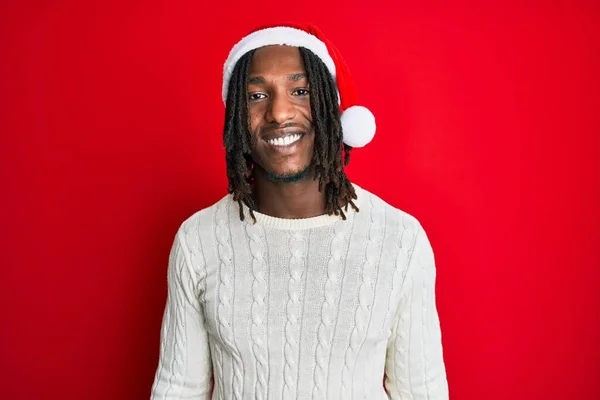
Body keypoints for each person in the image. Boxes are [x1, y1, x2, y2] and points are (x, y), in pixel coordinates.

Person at [150, 23, 448, 400]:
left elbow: (422, 392)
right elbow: (178, 390)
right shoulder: (198, 240)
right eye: (257, 95)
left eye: (301, 91)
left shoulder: (401, 240)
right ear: (236, 120)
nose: (278, 112)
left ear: (330, 107)